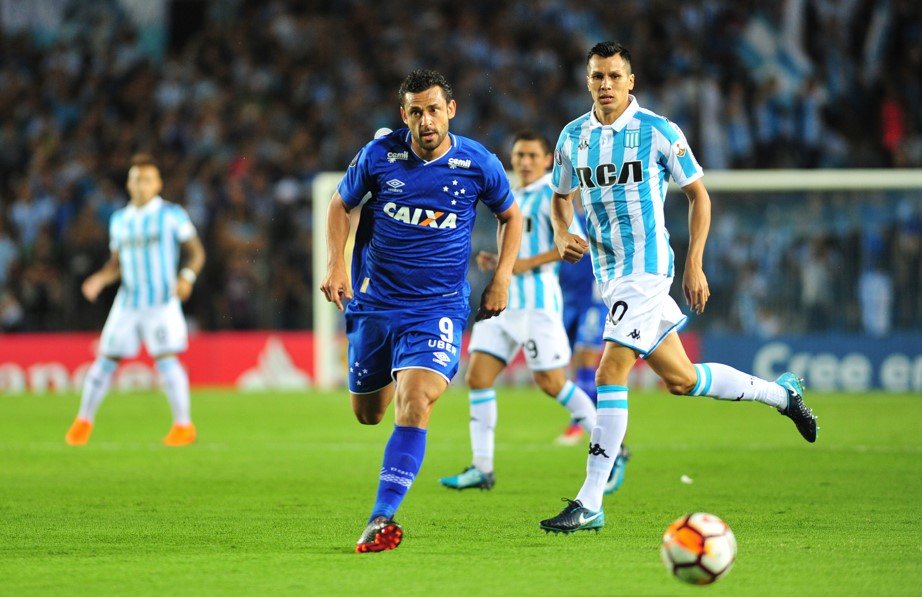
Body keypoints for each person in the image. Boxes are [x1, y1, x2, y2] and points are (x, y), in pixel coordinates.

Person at [539, 42, 818, 534]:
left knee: (609, 370)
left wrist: (694, 264)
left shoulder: (658, 131)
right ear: (587, 81)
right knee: (682, 380)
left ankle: (590, 500)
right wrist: (562, 232)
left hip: (647, 269)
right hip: (609, 274)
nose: (605, 84)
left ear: (631, 82)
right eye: (597, 76)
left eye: (615, 76)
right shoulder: (572, 137)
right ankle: (782, 394)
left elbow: (698, 196)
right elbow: (560, 197)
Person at [320, 69, 523, 553]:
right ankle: (396, 369)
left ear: (450, 110)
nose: (426, 120)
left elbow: (511, 216)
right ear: (404, 115)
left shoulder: (477, 162)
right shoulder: (379, 155)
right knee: (368, 414)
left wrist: (502, 277)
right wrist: (337, 263)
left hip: (438, 308)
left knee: (415, 402)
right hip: (375, 303)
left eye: (434, 109)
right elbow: (339, 205)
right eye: (416, 112)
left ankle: (381, 517)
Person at [437, 131, 597, 491]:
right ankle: (482, 468)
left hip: (538, 305)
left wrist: (525, 264)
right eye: (519, 155)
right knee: (478, 376)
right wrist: (499, 262)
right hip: (504, 302)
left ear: (547, 160)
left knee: (552, 383)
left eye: (532, 155)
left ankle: (611, 448)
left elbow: (576, 244)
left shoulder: (552, 197)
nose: (525, 162)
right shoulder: (510, 195)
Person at [65, 154, 205, 447]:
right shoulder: (120, 220)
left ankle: (183, 426)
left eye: (147, 180)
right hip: (128, 302)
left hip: (161, 301)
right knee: (105, 360)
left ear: (158, 184)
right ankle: (83, 421)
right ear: (129, 184)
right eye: (137, 179)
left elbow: (196, 252)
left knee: (166, 359)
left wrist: (186, 277)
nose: (142, 185)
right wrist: (100, 279)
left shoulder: (171, 214)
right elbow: (116, 264)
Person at [558, 211, 631, 494]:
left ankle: (583, 424)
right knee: (576, 365)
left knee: (588, 360)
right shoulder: (561, 218)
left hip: (593, 299)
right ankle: (597, 421)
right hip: (568, 297)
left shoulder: (596, 217)